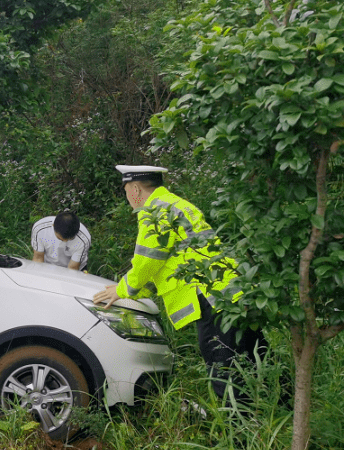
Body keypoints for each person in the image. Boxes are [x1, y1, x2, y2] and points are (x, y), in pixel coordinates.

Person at [92, 165, 264, 404]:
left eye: (126, 191)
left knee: (225, 373)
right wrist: (135, 289)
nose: (128, 198)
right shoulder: (176, 203)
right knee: (259, 362)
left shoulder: (156, 210)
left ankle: (241, 437)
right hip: (233, 292)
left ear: (135, 189)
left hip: (213, 300)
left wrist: (122, 290)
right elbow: (167, 263)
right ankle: (283, 416)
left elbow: (147, 261)